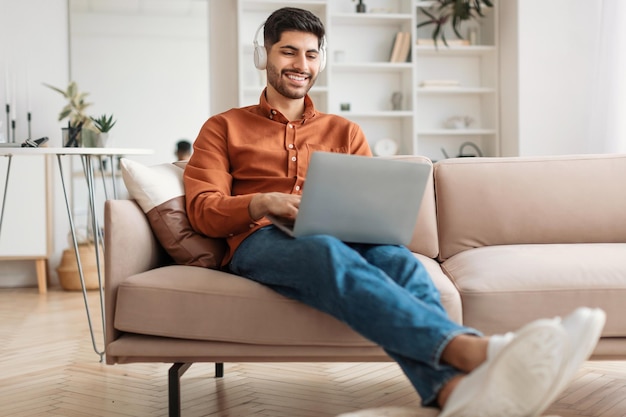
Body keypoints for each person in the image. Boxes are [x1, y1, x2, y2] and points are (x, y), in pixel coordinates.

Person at [183, 7, 606, 416]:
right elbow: (204, 210)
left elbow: (367, 203)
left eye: (311, 54)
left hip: (340, 232)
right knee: (326, 252)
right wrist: (262, 202)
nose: (301, 64)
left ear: (321, 61)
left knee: (399, 262)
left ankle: (451, 391)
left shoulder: (345, 131)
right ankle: (472, 348)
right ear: (265, 57)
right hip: (260, 240)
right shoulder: (223, 127)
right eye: (288, 51)